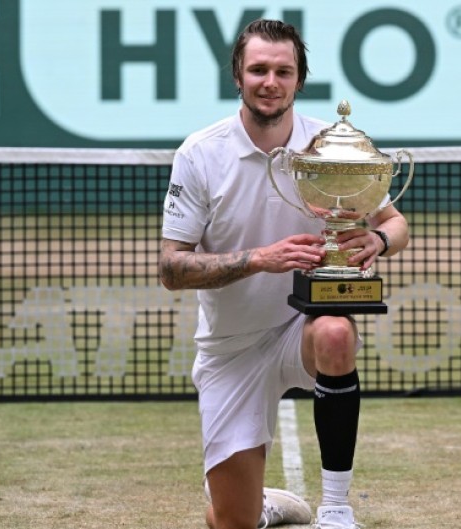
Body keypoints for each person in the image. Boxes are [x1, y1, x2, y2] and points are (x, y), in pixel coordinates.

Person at [159, 19, 409, 529]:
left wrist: (379, 240)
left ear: (299, 79)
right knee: (233, 522)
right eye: (258, 70)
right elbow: (171, 267)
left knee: (337, 332)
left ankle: (337, 508)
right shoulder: (200, 153)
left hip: (302, 327)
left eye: (282, 71)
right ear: (238, 76)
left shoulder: (332, 147)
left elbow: (396, 222)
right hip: (230, 348)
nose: (269, 81)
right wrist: (259, 258)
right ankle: (264, 504)